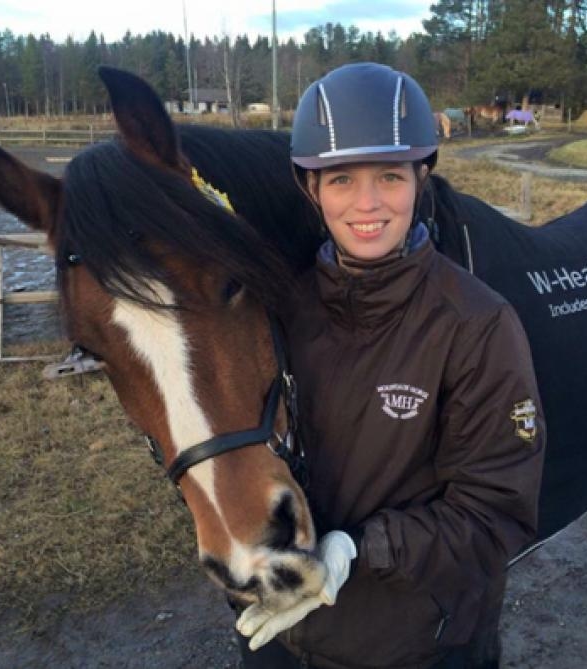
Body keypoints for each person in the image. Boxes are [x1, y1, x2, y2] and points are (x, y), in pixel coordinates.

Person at [232, 62, 546, 669]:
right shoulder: (282, 310)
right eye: (342, 179)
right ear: (311, 189)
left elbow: (495, 515)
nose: (368, 203)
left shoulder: (476, 325)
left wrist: (359, 547)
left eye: (391, 177)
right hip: (284, 637)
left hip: (420, 644)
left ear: (421, 178)